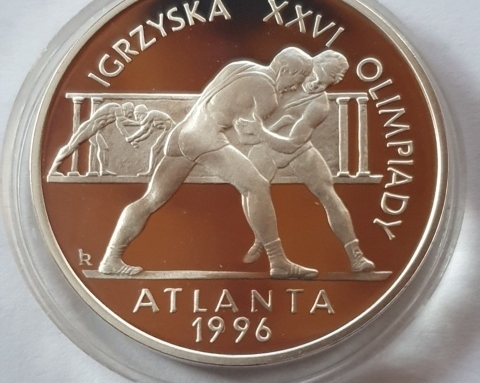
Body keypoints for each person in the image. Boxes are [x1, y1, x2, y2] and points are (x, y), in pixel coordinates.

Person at [99, 47, 319, 278]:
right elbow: (246, 136)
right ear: (285, 70)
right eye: (298, 79)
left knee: (151, 199)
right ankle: (278, 261)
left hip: (181, 135)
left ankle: (109, 259)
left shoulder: (239, 66)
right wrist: (279, 132)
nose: (295, 87)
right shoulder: (267, 94)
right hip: (204, 138)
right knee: (256, 185)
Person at [240, 49, 375, 272]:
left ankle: (356, 256)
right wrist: (269, 128)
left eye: (324, 84)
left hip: (296, 149)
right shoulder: (281, 77)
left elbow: (293, 143)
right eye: (315, 77)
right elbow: (246, 128)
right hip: (262, 149)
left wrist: (262, 131)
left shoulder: (319, 105)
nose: (315, 85)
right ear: (309, 66)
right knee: (252, 191)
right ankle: (262, 239)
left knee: (328, 193)